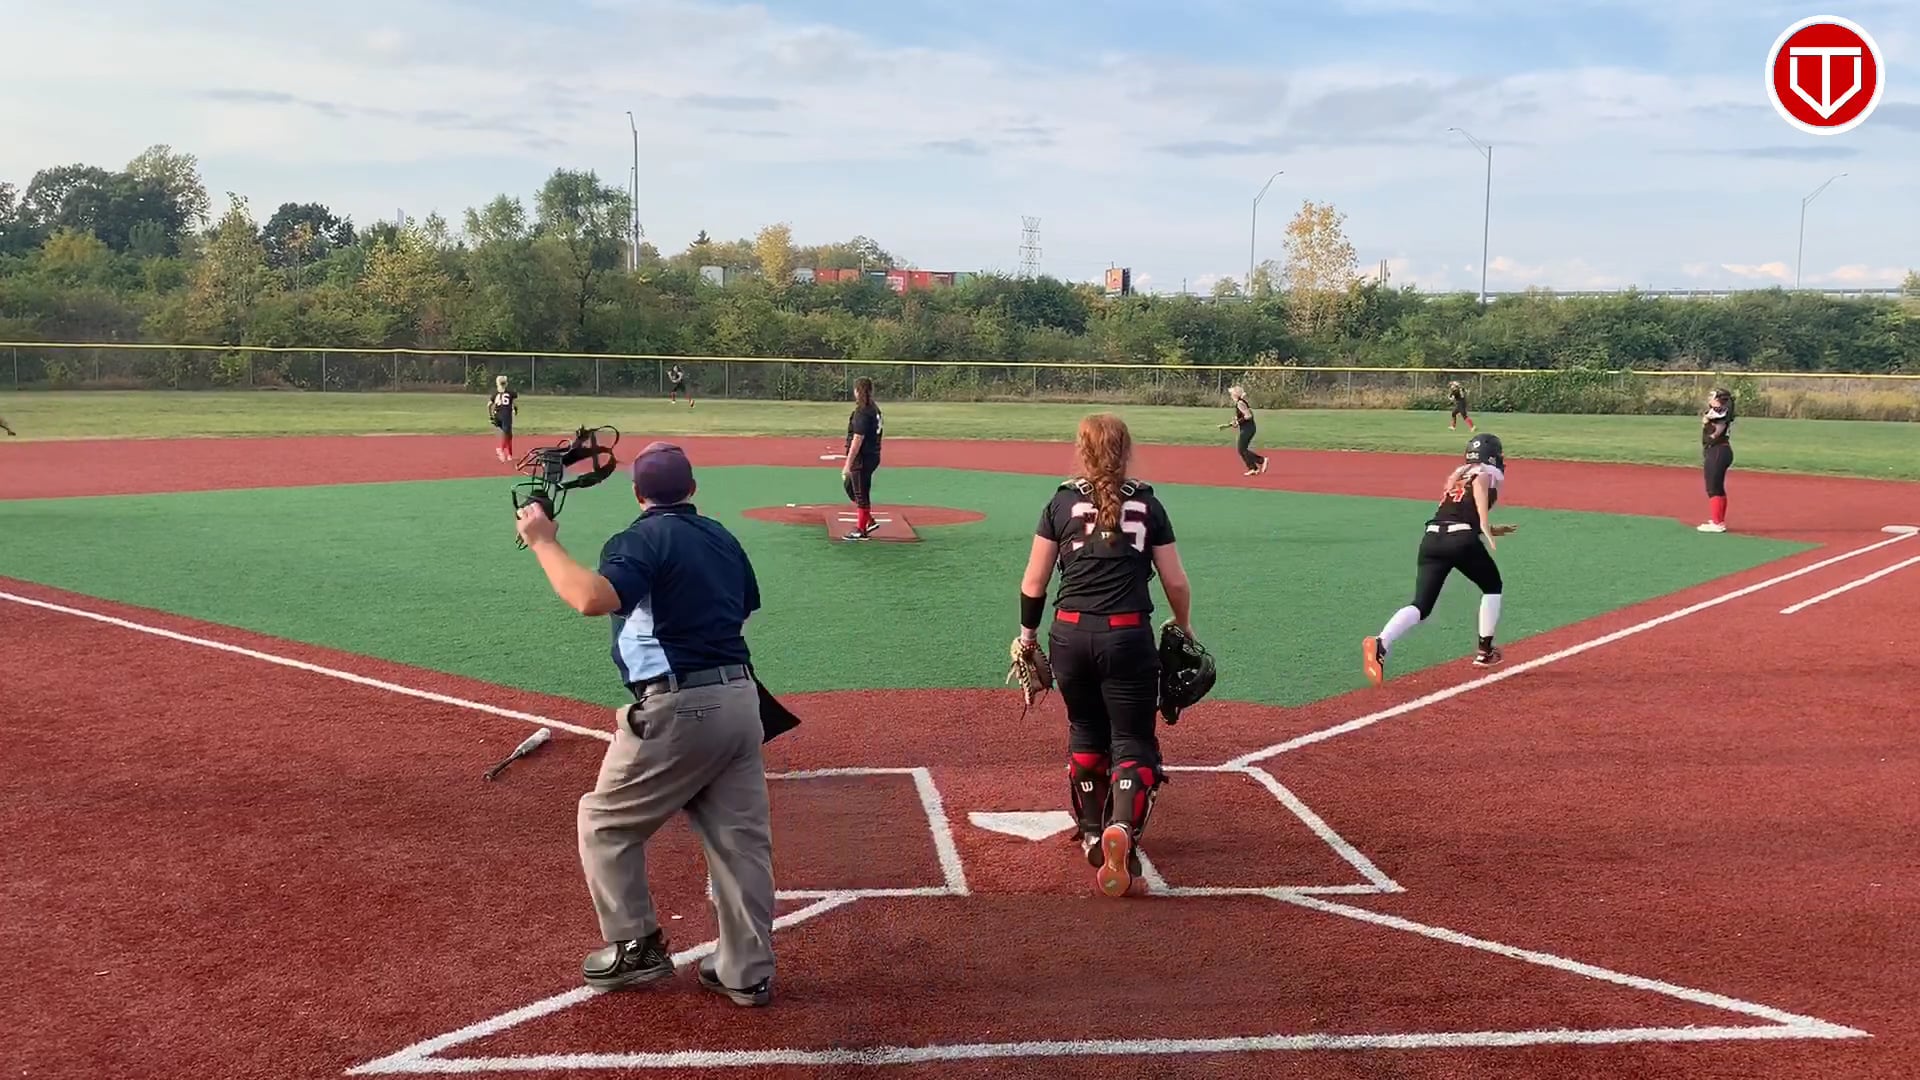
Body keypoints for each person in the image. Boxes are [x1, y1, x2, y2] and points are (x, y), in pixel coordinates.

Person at [513, 441, 777, 1007]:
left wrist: (542, 541)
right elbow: (742, 610)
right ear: (692, 490)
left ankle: (635, 947)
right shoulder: (722, 538)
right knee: (740, 844)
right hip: (741, 701)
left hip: (677, 707)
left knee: (604, 823)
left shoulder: (640, 538)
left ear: (638, 494)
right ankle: (746, 970)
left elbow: (592, 598)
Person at [1014, 413, 1194, 898]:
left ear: (1082, 451)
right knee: (1132, 739)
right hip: (1127, 637)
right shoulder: (1148, 504)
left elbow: (1034, 582)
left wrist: (1027, 638)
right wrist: (1183, 624)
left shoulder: (1060, 502)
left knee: (1085, 729)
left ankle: (1093, 832)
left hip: (1069, 635)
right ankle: (1121, 827)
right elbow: (1175, 581)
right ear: (1126, 451)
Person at [1362, 432, 1517, 686]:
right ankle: (1485, 651)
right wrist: (1485, 524)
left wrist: (1489, 528)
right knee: (1492, 586)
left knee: (1421, 605)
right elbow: (1479, 486)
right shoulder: (1484, 473)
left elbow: (1453, 514)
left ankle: (1381, 643)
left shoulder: (1458, 475)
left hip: (1432, 539)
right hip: (1460, 539)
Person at [841, 376, 883, 540]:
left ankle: (861, 529)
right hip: (872, 455)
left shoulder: (863, 411)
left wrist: (848, 463)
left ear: (857, 391)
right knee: (852, 487)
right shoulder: (873, 408)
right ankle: (868, 520)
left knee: (860, 493)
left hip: (863, 457)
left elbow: (858, 438)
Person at [1699, 388, 1735, 533]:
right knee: (1715, 487)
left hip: (1718, 451)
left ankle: (1718, 523)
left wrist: (1709, 426)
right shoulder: (1717, 412)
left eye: (1712, 396)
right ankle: (1718, 519)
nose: (1709, 398)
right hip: (1716, 451)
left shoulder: (1721, 412)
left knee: (1713, 487)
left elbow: (1717, 428)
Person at [1217, 385, 1268, 476]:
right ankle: (1253, 468)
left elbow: (1248, 416)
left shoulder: (1240, 403)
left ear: (1235, 395)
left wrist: (1238, 422)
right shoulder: (1240, 403)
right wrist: (1227, 425)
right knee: (1242, 449)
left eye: (1232, 394)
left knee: (1241, 449)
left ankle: (1261, 460)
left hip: (1248, 429)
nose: (1231, 395)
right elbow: (1240, 419)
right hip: (1247, 428)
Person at [488, 375, 518, 463]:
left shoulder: (495, 394)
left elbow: (489, 405)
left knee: (508, 434)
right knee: (508, 435)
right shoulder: (510, 393)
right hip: (506, 415)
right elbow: (514, 404)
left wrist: (491, 416)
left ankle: (509, 455)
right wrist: (515, 410)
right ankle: (501, 449)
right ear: (506, 383)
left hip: (497, 415)